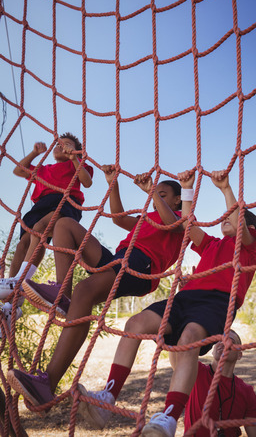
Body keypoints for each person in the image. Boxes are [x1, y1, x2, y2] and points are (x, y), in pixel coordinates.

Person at [36, 168, 256, 437]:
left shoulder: (248, 247)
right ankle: (109, 396)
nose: (225, 218)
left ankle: (168, 416)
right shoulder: (211, 243)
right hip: (186, 298)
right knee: (136, 322)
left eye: (234, 218)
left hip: (218, 302)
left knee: (188, 339)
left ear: (250, 228)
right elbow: (188, 222)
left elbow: (194, 223)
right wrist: (187, 188)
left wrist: (225, 190)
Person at [6, 165, 185, 412]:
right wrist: (114, 183)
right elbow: (120, 218)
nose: (157, 199)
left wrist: (152, 190)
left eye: (163, 195)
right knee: (64, 225)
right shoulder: (147, 218)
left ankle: (48, 382)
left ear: (177, 200)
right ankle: (62, 293)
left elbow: (170, 224)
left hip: (140, 266)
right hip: (121, 258)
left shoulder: (181, 219)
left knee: (85, 291)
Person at [0, 133, 93, 334]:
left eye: (67, 145)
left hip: (64, 200)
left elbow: (87, 182)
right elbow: (18, 170)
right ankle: (13, 301)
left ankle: (20, 281)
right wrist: (34, 152)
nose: (62, 147)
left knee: (40, 230)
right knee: (22, 244)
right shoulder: (44, 169)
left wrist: (74, 158)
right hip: (40, 205)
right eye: (59, 145)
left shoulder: (75, 164)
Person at [182, 329, 256, 436]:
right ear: (213, 351)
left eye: (230, 340)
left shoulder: (246, 392)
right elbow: (178, 356)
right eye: (219, 340)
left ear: (239, 355)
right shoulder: (196, 371)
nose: (223, 343)